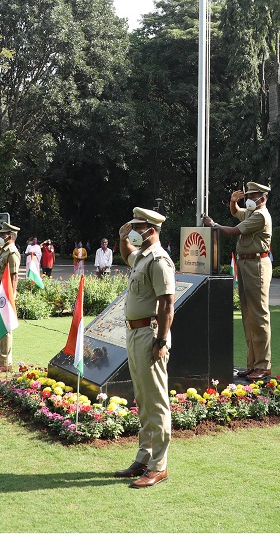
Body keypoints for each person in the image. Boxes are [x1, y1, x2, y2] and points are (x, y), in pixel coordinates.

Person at [115, 207, 174, 488]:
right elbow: (127, 254)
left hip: (150, 335)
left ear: (151, 230)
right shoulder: (141, 256)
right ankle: (145, 457)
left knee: (156, 401)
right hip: (134, 333)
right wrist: (121, 236)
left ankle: (158, 466)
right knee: (142, 398)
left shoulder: (160, 260)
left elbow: (167, 304)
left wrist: (161, 341)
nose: (133, 231)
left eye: (137, 227)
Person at [204, 182, 272, 380]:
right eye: (248, 195)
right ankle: (253, 364)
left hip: (257, 264)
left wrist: (213, 225)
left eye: (254, 195)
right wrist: (233, 202)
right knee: (248, 315)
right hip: (246, 264)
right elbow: (237, 212)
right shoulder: (251, 212)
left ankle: (263, 365)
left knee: (259, 316)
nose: (249, 199)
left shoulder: (260, 215)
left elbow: (234, 231)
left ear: (263, 198)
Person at [0, 222, 21, 370]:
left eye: (2, 235)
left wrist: (11, 296)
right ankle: (2, 360)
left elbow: (14, 277)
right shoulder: (4, 250)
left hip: (4, 293)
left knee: (4, 327)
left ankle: (4, 362)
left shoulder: (12, 252)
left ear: (10, 236)